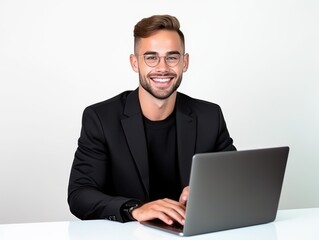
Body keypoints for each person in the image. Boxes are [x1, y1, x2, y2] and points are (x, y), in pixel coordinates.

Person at [68, 14, 236, 226]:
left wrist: (209, 190)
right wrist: (135, 209)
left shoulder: (210, 116)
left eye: (172, 57)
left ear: (184, 62)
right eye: (151, 57)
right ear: (134, 62)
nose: (162, 67)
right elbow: (79, 195)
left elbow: (236, 181)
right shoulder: (101, 118)